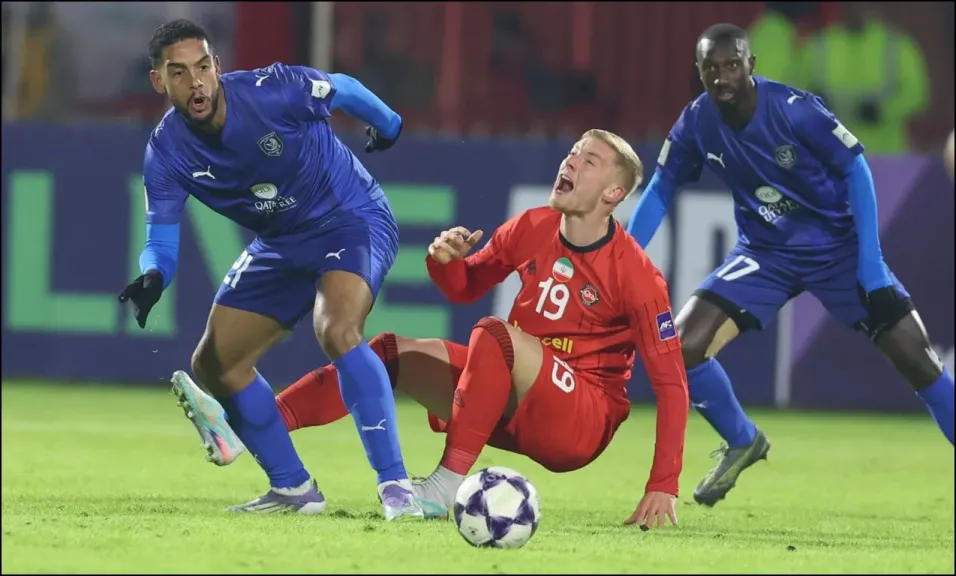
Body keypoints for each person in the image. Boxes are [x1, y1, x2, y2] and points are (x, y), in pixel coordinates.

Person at [189, 129, 692, 529]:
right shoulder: (532, 226)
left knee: (494, 336)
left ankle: (444, 487)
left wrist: (663, 483)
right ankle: (248, 428)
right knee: (386, 354)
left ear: (614, 193)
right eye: (574, 152)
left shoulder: (636, 275)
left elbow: (671, 384)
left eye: (590, 160)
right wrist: (445, 262)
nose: (572, 161)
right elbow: (465, 286)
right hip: (515, 399)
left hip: (579, 419)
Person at [627, 23, 955, 507]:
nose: (722, 77)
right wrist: (624, 256)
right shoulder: (697, 121)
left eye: (732, 65)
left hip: (837, 250)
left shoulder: (794, 109)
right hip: (764, 254)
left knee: (919, 362)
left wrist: (871, 264)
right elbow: (661, 187)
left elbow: (856, 169)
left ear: (751, 65)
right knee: (681, 347)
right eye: (711, 68)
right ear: (699, 71)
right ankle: (742, 439)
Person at [117, 19, 422, 520]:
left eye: (202, 67)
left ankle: (397, 488)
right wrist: (153, 276)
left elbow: (343, 88)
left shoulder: (272, 90)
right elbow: (160, 243)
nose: (195, 82)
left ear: (217, 66)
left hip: (350, 216)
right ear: (159, 81)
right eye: (179, 73)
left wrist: (388, 126)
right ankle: (294, 489)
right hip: (281, 242)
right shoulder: (166, 152)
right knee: (214, 363)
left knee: (337, 329)